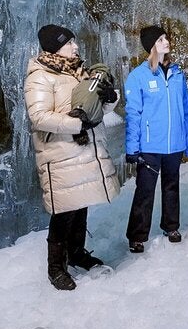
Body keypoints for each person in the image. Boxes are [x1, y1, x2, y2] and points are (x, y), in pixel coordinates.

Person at [24, 24, 121, 290]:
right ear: (55, 47)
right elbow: (39, 117)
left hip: (83, 150)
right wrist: (76, 124)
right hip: (60, 153)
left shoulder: (79, 71)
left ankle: (77, 253)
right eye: (69, 43)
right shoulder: (40, 77)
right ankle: (55, 267)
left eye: (74, 42)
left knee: (81, 203)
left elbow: (95, 107)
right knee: (64, 210)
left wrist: (109, 99)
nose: (75, 47)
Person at [123, 25, 188, 253]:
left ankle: (171, 226)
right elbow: (133, 114)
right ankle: (137, 236)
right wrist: (132, 148)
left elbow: (186, 111)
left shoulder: (177, 74)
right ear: (152, 45)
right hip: (150, 145)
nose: (167, 42)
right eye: (161, 39)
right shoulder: (138, 76)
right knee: (145, 191)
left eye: (166, 38)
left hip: (173, 143)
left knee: (172, 186)